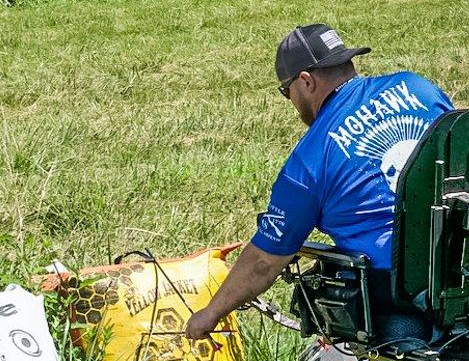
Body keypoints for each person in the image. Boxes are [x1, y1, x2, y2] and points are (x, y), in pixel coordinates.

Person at [185, 23, 454, 342]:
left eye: (287, 92)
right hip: (463, 263)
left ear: (305, 81)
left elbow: (263, 262)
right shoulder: (418, 87)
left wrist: (211, 313)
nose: (291, 101)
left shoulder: (309, 160)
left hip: (395, 289)